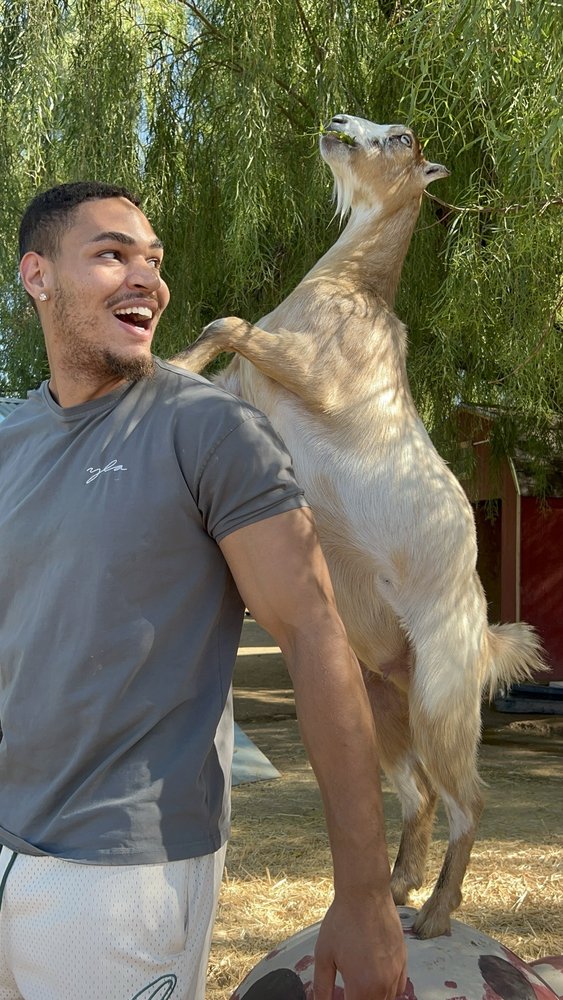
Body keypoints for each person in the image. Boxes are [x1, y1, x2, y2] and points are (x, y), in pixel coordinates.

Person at [0, 181, 407, 1000]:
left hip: (117, 877)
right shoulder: (10, 436)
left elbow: (315, 637)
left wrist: (363, 896)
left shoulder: (210, 429)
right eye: (111, 255)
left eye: (152, 260)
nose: (147, 279)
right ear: (36, 276)